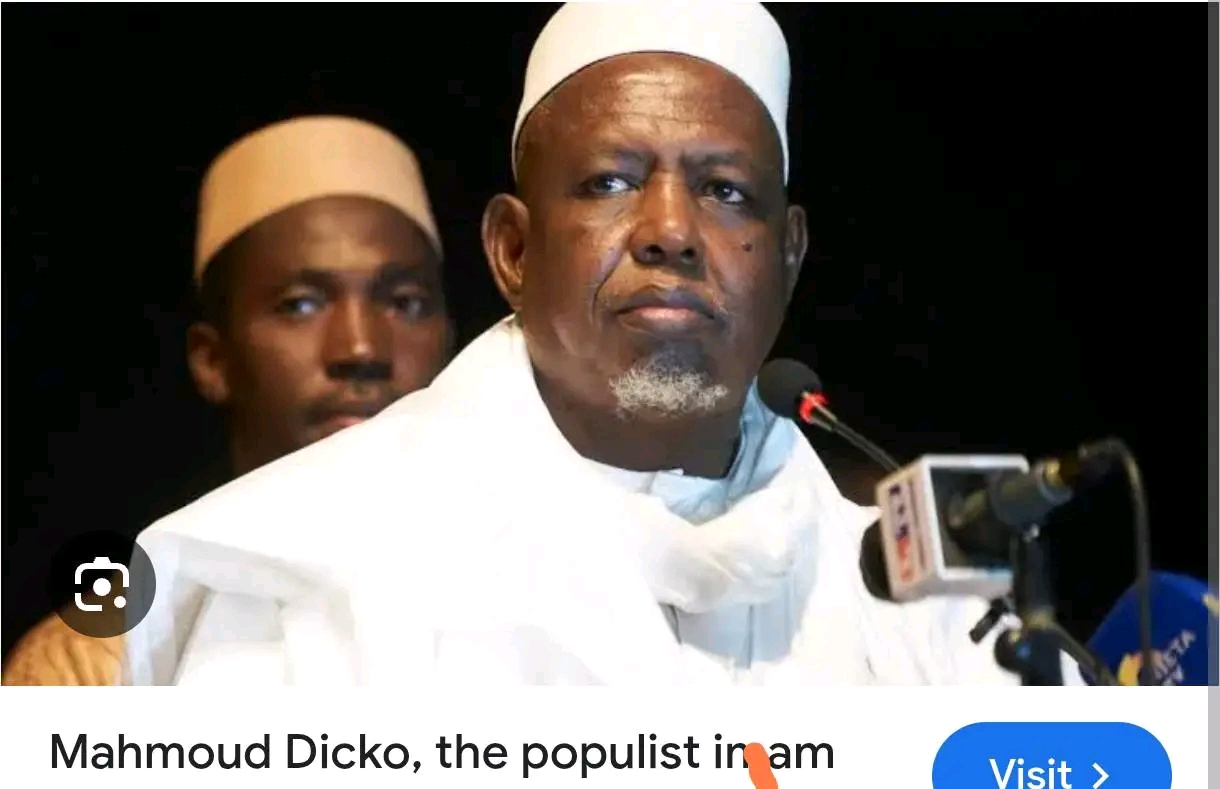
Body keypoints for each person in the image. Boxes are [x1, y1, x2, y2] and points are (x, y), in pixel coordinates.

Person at [124, 4, 1081, 686]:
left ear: (789, 258)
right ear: (513, 250)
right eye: (612, 183)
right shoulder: (307, 568)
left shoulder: (930, 610)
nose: (671, 231)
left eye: (725, 191)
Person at [3, 116, 452, 686]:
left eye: (406, 303)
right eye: (301, 305)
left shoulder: (537, 585)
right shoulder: (97, 660)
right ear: (212, 359)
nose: (361, 349)